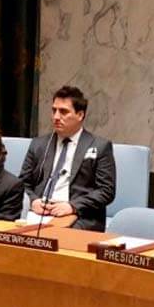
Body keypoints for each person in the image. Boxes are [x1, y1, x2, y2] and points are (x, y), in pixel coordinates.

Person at [18, 85, 116, 231]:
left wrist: (72, 206)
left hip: (79, 216)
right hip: (39, 212)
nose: (56, 117)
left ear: (80, 115)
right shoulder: (39, 144)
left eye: (63, 112)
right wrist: (33, 201)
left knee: (54, 235)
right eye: (54, 110)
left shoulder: (100, 146)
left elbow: (106, 191)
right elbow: (22, 183)